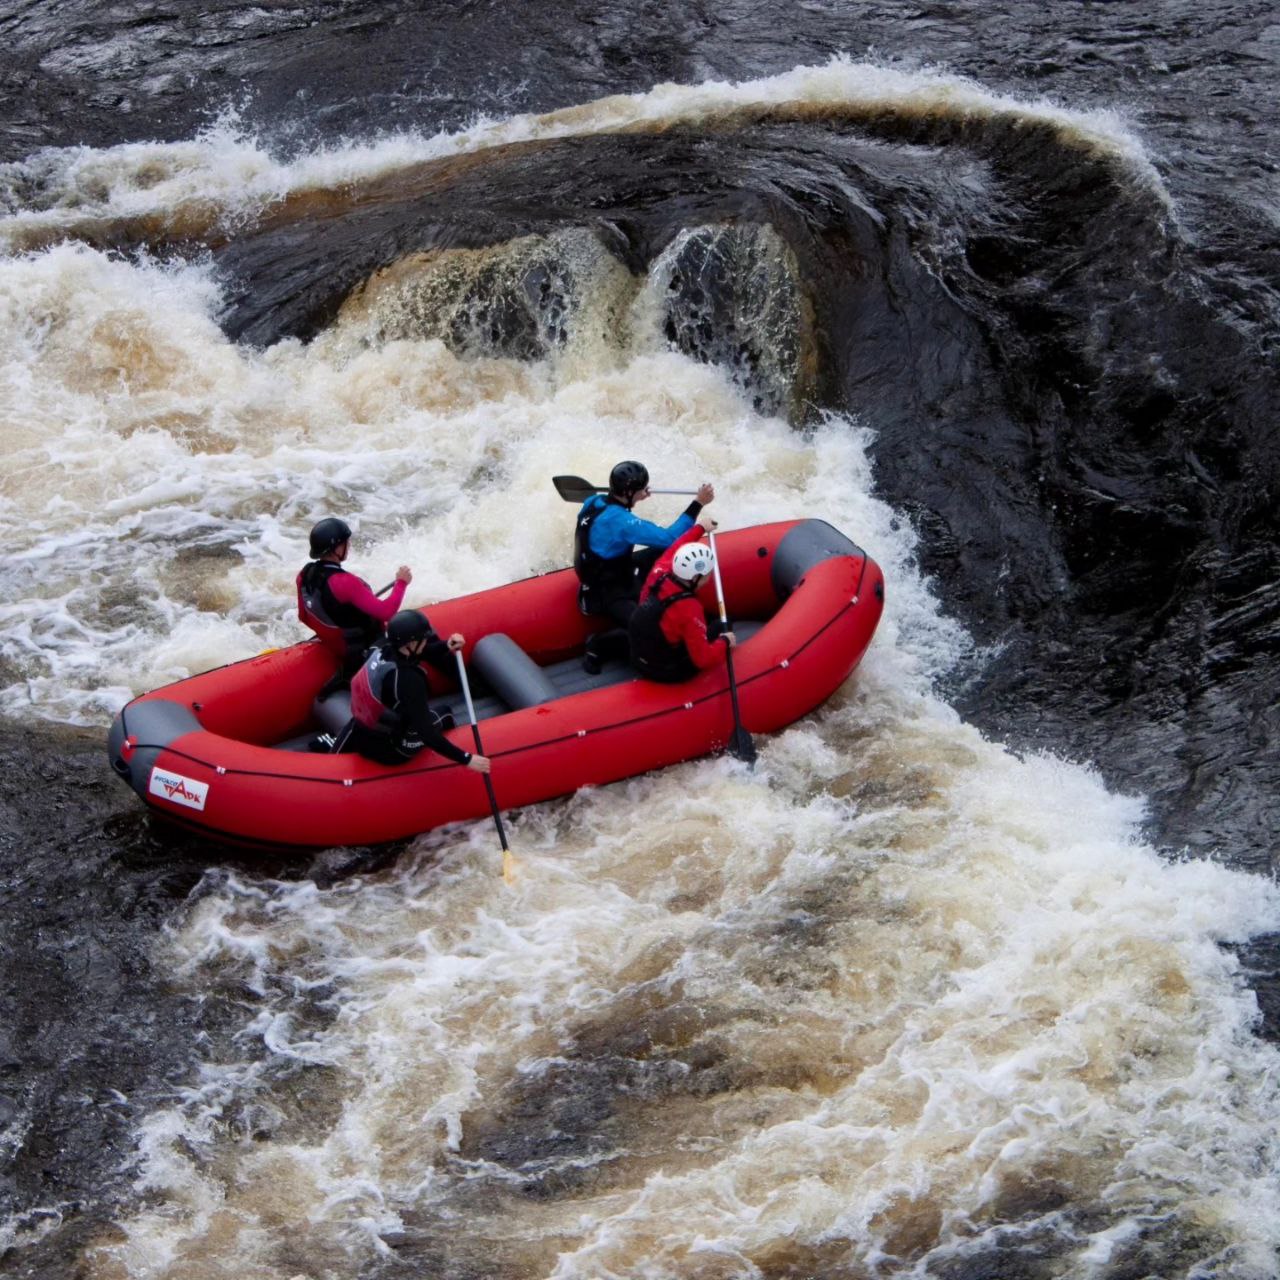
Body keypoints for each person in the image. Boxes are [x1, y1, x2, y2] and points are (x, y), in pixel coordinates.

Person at [574, 460, 714, 672]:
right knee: (649, 630)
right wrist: (698, 504)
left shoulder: (593, 501)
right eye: (640, 490)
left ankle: (657, 592)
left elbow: (613, 514)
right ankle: (597, 644)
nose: (644, 492)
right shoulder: (621, 522)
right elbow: (670, 537)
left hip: (615, 569)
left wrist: (635, 495)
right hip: (607, 590)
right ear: (628, 492)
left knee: (662, 552)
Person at [330, 610, 491, 772]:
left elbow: (422, 651)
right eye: (423, 638)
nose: (427, 640)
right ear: (410, 644)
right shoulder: (410, 681)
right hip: (392, 750)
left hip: (360, 731)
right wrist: (467, 759)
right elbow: (428, 735)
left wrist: (445, 645)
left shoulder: (380, 648)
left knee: (357, 728)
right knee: (445, 712)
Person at [296, 517, 412, 697]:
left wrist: (333, 631)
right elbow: (387, 612)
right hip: (364, 648)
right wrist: (401, 583)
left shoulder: (304, 576)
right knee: (421, 635)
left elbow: (303, 616)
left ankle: (345, 671)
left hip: (337, 647)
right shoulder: (345, 583)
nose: (348, 545)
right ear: (335, 549)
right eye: (345, 542)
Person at [629, 526, 736, 683]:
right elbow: (703, 659)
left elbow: (677, 546)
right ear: (695, 578)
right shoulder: (689, 608)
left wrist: (700, 528)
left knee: (704, 620)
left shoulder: (660, 572)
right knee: (723, 625)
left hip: (638, 655)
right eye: (708, 574)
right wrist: (725, 642)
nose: (710, 577)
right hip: (665, 670)